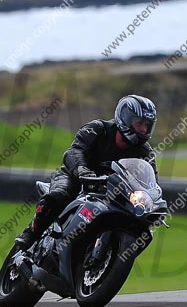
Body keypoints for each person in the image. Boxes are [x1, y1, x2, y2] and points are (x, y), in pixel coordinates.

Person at [15, 95, 158, 249]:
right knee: (59, 195)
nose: (143, 129)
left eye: (147, 125)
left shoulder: (146, 153)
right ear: (125, 118)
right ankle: (31, 233)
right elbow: (73, 152)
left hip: (112, 193)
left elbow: (151, 182)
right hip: (76, 178)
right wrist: (82, 171)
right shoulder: (97, 129)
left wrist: (152, 202)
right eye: (139, 123)